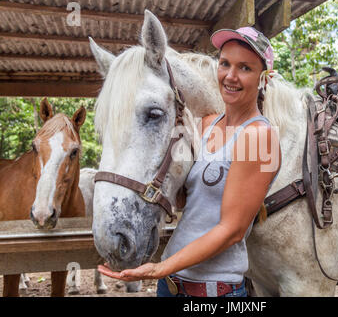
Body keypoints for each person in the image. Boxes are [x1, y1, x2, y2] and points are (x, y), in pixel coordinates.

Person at [98, 27, 282, 297]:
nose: (230, 76)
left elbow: (232, 230)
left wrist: (158, 268)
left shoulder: (261, 137)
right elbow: (192, 202)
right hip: (172, 286)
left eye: (245, 68)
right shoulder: (208, 125)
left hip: (213, 291)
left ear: (263, 78)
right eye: (225, 64)